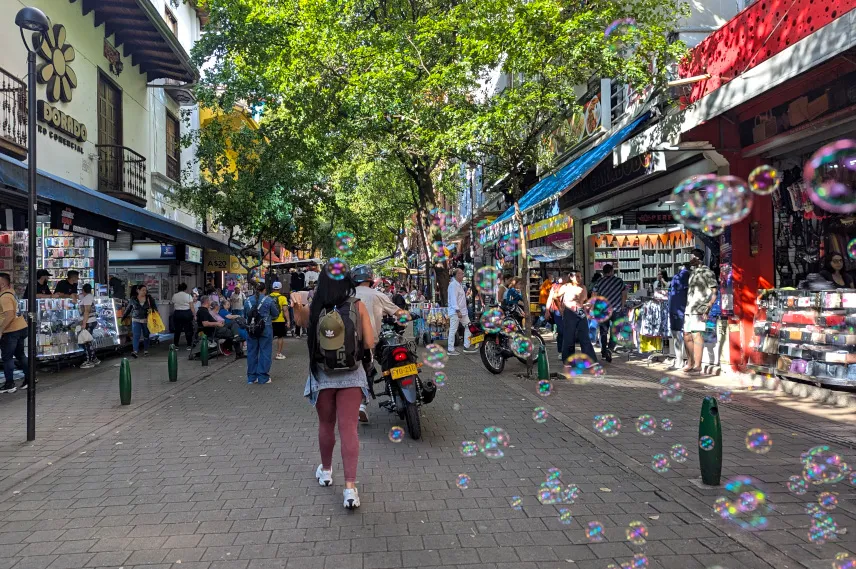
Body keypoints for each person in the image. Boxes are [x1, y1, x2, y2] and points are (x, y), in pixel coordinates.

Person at [293, 263, 375, 510]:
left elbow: (299, 322)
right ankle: (350, 489)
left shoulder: (315, 308)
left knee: (326, 424)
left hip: (322, 375)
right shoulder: (357, 306)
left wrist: (297, 304)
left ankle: (326, 472)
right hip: (352, 374)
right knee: (349, 429)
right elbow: (370, 342)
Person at [352, 264, 410, 423]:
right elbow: (399, 313)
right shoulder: (378, 295)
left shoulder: (347, 295)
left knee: (357, 371)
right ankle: (362, 404)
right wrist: (409, 316)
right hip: (370, 342)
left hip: (349, 342)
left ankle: (355, 403)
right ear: (370, 279)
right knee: (369, 369)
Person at [683, 249, 718, 373]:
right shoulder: (692, 272)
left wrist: (708, 307)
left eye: (691, 257)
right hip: (689, 308)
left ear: (697, 258)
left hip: (699, 308)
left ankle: (697, 364)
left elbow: (714, 291)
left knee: (696, 334)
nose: (689, 259)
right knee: (686, 334)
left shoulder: (708, 272)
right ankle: (690, 361)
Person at [589, 264, 627, 362]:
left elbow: (594, 294)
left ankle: (603, 352)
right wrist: (622, 306)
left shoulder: (599, 282)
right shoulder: (619, 281)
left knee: (603, 332)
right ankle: (610, 349)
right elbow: (624, 294)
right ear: (611, 271)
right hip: (616, 309)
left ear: (604, 272)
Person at [244, 283, 279, 384]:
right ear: (264, 290)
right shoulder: (268, 300)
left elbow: (246, 314)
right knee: (265, 352)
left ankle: (251, 377)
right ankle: (263, 377)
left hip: (251, 329)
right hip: (265, 328)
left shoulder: (247, 300)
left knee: (251, 352)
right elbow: (275, 314)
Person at [561, 270, 598, 365]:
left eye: (580, 276)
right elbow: (556, 296)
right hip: (569, 311)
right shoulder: (566, 287)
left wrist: (588, 304)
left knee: (585, 336)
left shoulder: (583, 287)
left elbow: (584, 301)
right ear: (571, 277)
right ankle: (568, 360)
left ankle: (589, 359)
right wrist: (561, 308)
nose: (579, 278)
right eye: (577, 276)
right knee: (569, 337)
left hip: (580, 311)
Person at [0, 272, 28, 394]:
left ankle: (9, 384)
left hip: (11, 330)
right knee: (20, 355)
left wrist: (1, 330)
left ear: (2, 283)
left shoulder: (4, 297)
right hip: (21, 327)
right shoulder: (12, 293)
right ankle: (29, 379)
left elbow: (9, 315)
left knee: (7, 357)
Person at [447, 268, 475, 356]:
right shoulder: (453, 285)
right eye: (462, 274)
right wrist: (458, 310)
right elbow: (453, 299)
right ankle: (450, 349)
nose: (463, 275)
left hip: (463, 312)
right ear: (457, 275)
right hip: (456, 312)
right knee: (453, 330)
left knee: (468, 326)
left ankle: (467, 346)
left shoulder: (458, 284)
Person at [668, 263, 690, 370]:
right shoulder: (688, 276)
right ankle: (683, 360)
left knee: (677, 335)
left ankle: (680, 360)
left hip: (676, 308)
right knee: (683, 335)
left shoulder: (678, 276)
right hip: (683, 308)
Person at [126, 284, 158, 358]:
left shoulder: (149, 298)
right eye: (143, 290)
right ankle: (135, 351)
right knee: (136, 336)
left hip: (146, 320)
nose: (144, 292)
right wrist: (124, 317)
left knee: (146, 335)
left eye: (145, 290)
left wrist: (153, 312)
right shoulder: (133, 299)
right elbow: (128, 309)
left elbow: (155, 308)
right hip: (135, 320)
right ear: (138, 290)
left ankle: (146, 350)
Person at [77, 283, 100, 369]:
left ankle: (89, 360)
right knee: (87, 341)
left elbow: (86, 311)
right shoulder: (87, 297)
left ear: (83, 290)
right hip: (90, 321)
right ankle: (94, 358)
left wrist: (83, 323)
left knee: (86, 341)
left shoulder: (87, 298)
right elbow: (77, 297)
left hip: (88, 321)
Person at [269, 282, 291, 360]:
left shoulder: (268, 297)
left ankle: (266, 353)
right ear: (280, 288)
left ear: (273, 288)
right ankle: (278, 354)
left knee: (268, 338)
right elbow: (285, 310)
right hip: (280, 320)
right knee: (280, 337)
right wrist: (288, 321)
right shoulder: (283, 298)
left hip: (269, 321)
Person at [545, 277, 565, 359]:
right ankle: (560, 351)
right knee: (561, 331)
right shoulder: (555, 286)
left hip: (569, 311)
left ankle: (567, 351)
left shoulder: (571, 286)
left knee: (568, 332)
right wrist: (547, 310)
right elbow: (550, 297)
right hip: (557, 311)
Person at [172, 283, 196, 350]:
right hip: (186, 313)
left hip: (177, 313)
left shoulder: (175, 295)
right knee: (188, 329)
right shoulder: (188, 296)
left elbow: (174, 304)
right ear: (185, 289)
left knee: (177, 330)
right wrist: (194, 315)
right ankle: (189, 345)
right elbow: (192, 307)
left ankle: (176, 345)